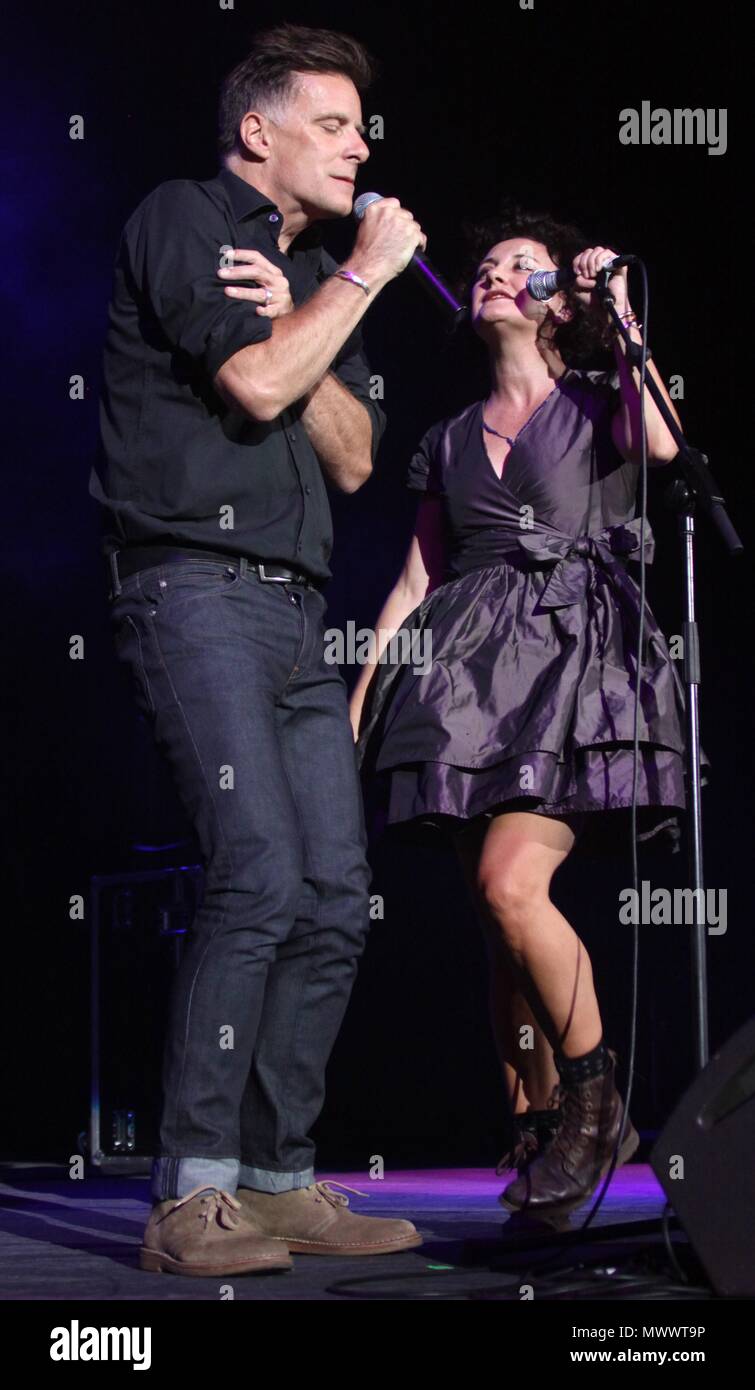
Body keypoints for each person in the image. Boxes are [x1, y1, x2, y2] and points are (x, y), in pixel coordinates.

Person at [91, 23, 428, 1275]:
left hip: (294, 608)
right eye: (333, 125)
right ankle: (193, 1196)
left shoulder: (312, 281)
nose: (358, 148)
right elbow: (258, 392)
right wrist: (348, 290)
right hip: (190, 589)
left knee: (335, 895)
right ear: (259, 132)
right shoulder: (185, 218)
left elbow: (349, 454)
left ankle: (281, 1180)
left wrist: (321, 302)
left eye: (359, 128)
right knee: (256, 875)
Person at [350, 206, 686, 1217]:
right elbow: (415, 579)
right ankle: (535, 1121)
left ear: (556, 304)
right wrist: (364, 694)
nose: (495, 275)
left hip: (575, 661)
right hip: (462, 680)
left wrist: (619, 309)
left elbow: (662, 445)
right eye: (487, 265)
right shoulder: (447, 437)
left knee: (510, 885)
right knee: (494, 929)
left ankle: (594, 1103)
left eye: (522, 268)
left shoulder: (596, 402)